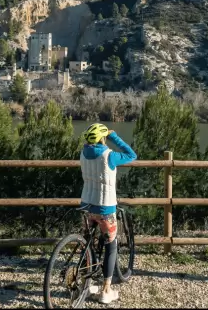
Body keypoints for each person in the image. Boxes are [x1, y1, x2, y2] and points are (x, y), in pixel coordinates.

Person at [79, 123, 137, 304]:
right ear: (103, 138)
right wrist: (114, 137)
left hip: (86, 206)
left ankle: (85, 283)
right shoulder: (109, 155)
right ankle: (106, 290)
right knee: (111, 245)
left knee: (86, 243)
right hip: (105, 208)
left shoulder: (82, 153)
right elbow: (131, 155)